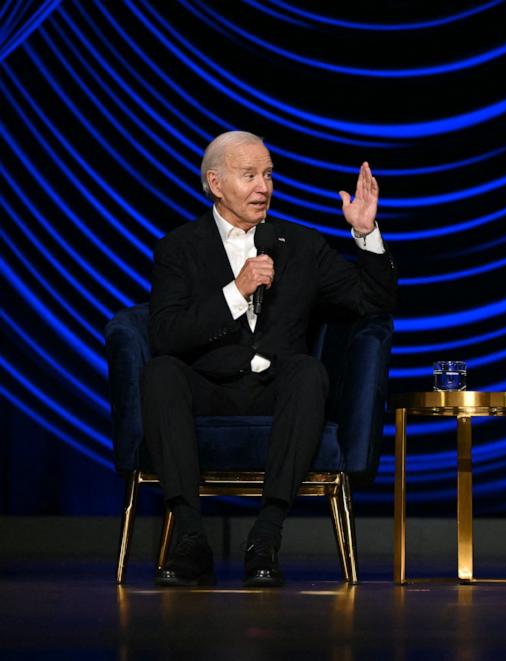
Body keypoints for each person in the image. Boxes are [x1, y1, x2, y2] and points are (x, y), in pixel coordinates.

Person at [142, 131, 397, 587]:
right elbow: (165, 335)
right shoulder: (178, 248)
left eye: (268, 175)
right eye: (250, 176)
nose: (264, 187)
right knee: (160, 372)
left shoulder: (301, 244)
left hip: (277, 392)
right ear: (216, 184)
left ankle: (266, 535)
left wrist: (364, 233)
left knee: (308, 372)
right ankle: (190, 538)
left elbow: (372, 302)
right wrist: (235, 291)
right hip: (209, 391)